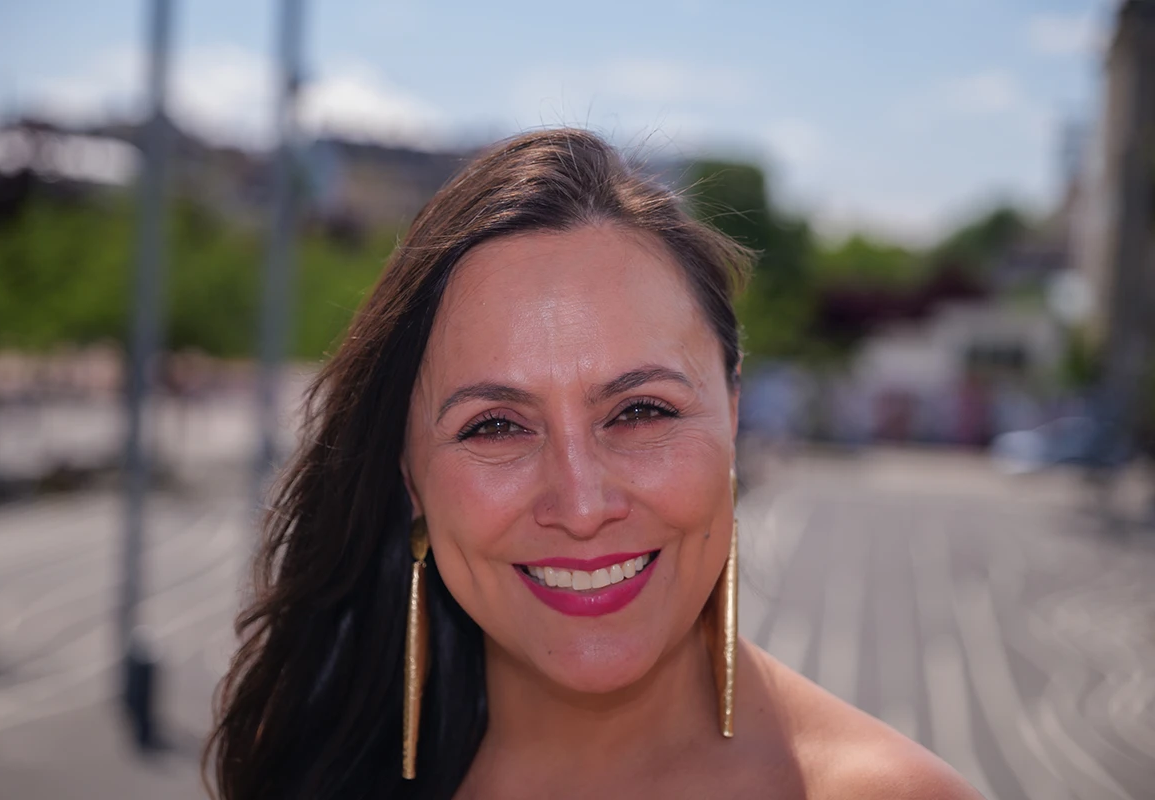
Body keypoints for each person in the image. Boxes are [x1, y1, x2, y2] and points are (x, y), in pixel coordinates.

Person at [205, 129, 980, 799]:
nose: (581, 504)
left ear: (735, 415)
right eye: (497, 425)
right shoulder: (319, 772)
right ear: (409, 477)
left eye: (641, 411)